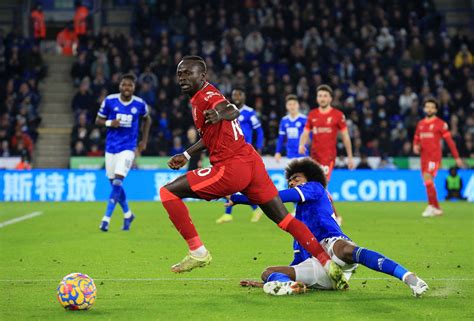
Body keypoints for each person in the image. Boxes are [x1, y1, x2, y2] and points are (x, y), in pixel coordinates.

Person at [159, 56, 345, 287]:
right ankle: (328, 264)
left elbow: (230, 110)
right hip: (251, 163)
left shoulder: (208, 96)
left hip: (231, 167)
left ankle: (198, 251)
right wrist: (187, 154)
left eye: (189, 73)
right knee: (285, 219)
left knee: (168, 192)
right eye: (180, 74)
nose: (183, 78)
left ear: (203, 76)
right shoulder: (201, 97)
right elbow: (210, 135)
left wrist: (220, 114)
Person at [230, 158, 429, 297]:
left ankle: (409, 278)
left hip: (332, 246)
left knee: (345, 249)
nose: (292, 183)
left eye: (296, 179)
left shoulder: (316, 188)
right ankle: (288, 286)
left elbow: (276, 197)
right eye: (290, 181)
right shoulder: (298, 223)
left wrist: (239, 198)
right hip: (318, 265)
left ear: (308, 178)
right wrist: (272, 280)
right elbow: (297, 262)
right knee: (267, 272)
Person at [95, 73, 152, 232]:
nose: (127, 88)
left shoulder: (140, 104)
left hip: (128, 148)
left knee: (118, 182)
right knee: (114, 184)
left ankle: (106, 219)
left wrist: (144, 141)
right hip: (110, 148)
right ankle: (128, 214)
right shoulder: (110, 100)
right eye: (124, 85)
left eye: (130, 85)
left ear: (134, 88)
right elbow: (97, 120)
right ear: (120, 86)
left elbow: (147, 119)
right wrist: (109, 122)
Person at [298, 84, 354, 225]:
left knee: (321, 187)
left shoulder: (338, 115)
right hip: (314, 157)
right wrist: (301, 144)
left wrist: (350, 157)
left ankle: (335, 215)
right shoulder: (312, 115)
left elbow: (346, 136)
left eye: (325, 96)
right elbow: (305, 132)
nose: (322, 98)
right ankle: (320, 215)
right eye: (320, 96)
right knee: (315, 187)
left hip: (328, 157)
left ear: (330, 98)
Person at [215, 87, 264, 224]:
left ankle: (231, 213)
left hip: (244, 152)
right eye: (234, 94)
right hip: (230, 152)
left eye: (239, 94)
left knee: (234, 183)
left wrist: (258, 147)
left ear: (244, 96)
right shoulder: (227, 112)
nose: (236, 97)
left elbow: (258, 131)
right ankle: (250, 210)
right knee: (233, 184)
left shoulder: (249, 113)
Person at [413, 98, 464, 217]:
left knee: (428, 178)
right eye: (427, 106)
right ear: (424, 108)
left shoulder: (440, 124)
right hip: (424, 158)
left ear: (435, 109)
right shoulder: (420, 124)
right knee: (427, 182)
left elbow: (450, 142)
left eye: (432, 107)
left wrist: (457, 157)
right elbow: (416, 139)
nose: (429, 109)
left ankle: (432, 206)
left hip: (434, 157)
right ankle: (436, 208)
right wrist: (415, 147)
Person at [274, 94, 308, 162]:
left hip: (303, 155)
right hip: (290, 155)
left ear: (298, 105)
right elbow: (281, 138)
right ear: (286, 106)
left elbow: (310, 136)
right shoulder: (284, 120)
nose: (292, 106)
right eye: (289, 104)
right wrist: (278, 152)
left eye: (294, 104)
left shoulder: (304, 119)